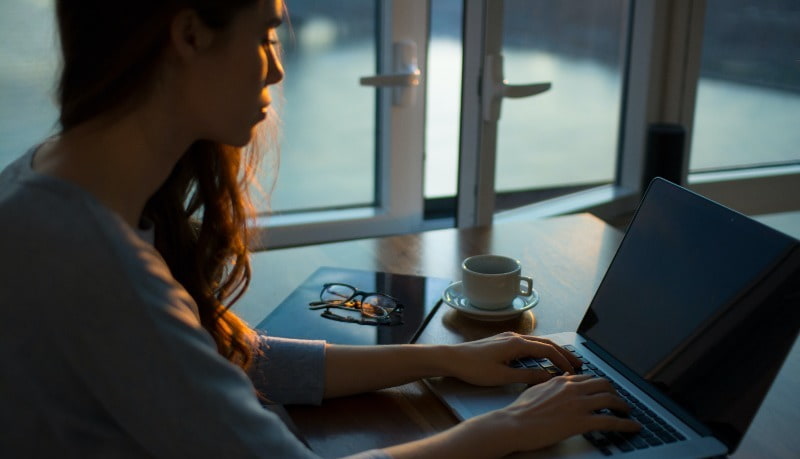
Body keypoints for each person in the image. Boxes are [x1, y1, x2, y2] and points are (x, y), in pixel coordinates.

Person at [0, 0, 640, 457]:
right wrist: (507, 430)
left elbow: (232, 363)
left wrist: (449, 358)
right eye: (267, 33)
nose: (276, 68)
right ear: (190, 34)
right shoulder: (101, 269)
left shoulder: (42, 184)